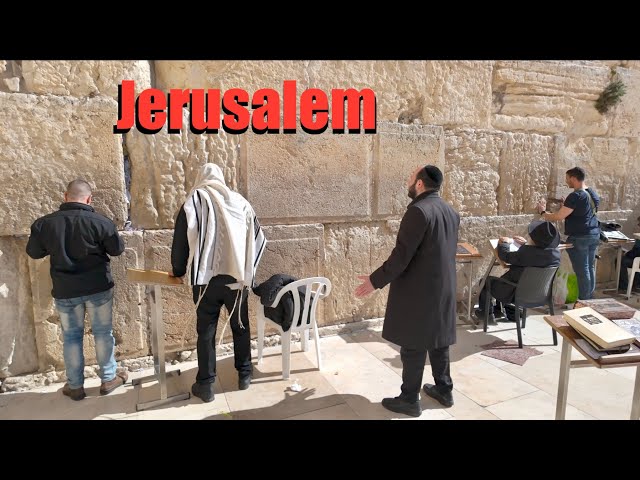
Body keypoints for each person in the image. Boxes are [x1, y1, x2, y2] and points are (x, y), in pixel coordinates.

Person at [355, 165, 459, 417]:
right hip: (444, 288)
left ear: (420, 184)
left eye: (410, 178)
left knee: (413, 345)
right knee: (438, 341)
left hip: (420, 292)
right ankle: (444, 390)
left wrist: (374, 280)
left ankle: (409, 398)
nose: (407, 181)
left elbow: (401, 257)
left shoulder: (417, 211)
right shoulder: (450, 211)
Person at [170, 163, 266, 403]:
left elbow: (180, 240)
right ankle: (244, 375)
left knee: (206, 330)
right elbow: (259, 238)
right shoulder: (241, 202)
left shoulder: (194, 200)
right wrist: (247, 271)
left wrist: (178, 270)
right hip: (236, 279)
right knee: (240, 325)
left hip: (206, 280)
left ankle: (206, 385)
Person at [25, 179, 127, 401]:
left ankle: (75, 386)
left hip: (65, 290)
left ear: (65, 196)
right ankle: (109, 378)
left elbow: (34, 252)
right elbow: (117, 249)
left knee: (71, 336)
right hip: (98, 287)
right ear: (89, 199)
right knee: (102, 332)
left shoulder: (44, 224)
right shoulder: (101, 222)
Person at [474, 220, 561, 322]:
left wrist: (504, 243)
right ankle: (501, 311)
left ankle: (486, 314)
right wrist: (524, 244)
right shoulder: (556, 255)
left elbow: (505, 256)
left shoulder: (526, 253)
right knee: (505, 279)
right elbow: (537, 253)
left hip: (515, 293)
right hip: (539, 295)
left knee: (485, 281)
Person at [537, 166, 600, 300]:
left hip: (580, 237)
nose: (566, 182)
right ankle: (590, 298)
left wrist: (542, 212)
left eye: (567, 179)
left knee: (582, 270)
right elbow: (584, 212)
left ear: (573, 178)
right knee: (589, 268)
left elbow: (558, 217)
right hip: (594, 234)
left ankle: (585, 302)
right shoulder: (592, 193)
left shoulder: (576, 195)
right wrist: (566, 206)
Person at [619, 216, 640, 291]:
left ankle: (624, 287)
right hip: (636, 258)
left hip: (637, 260)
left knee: (621, 261)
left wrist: (626, 254)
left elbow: (636, 252)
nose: (638, 225)